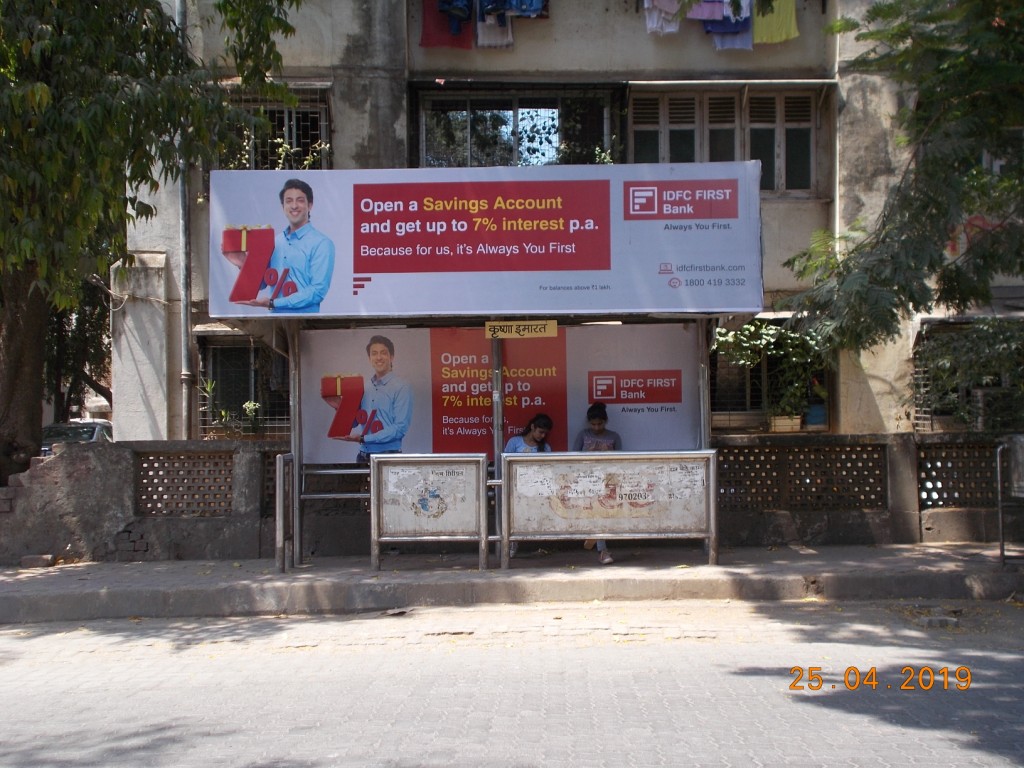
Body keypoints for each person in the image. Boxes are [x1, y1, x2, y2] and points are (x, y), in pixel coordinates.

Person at [225, 178, 335, 313]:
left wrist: (274, 303)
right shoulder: (274, 242)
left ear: (310, 205)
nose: (294, 206)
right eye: (288, 201)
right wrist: (243, 263)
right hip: (275, 319)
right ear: (283, 206)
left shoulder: (322, 243)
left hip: (306, 319)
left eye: (300, 200)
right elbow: (263, 283)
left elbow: (318, 291)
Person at [340, 335, 414, 465]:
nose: (378, 357)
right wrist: (339, 406)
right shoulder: (364, 387)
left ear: (391, 357)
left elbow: (400, 428)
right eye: (374, 353)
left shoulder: (402, 387)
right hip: (363, 456)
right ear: (369, 358)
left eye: (383, 353)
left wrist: (364, 438)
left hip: (389, 456)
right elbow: (355, 421)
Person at [573, 402, 622, 565]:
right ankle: (602, 549)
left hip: (607, 482)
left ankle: (596, 538)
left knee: (601, 513)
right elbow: (573, 457)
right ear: (588, 422)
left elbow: (620, 460)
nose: (596, 427)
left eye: (599, 424)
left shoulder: (614, 436)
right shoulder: (583, 435)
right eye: (593, 424)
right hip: (586, 482)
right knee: (597, 512)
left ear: (605, 421)